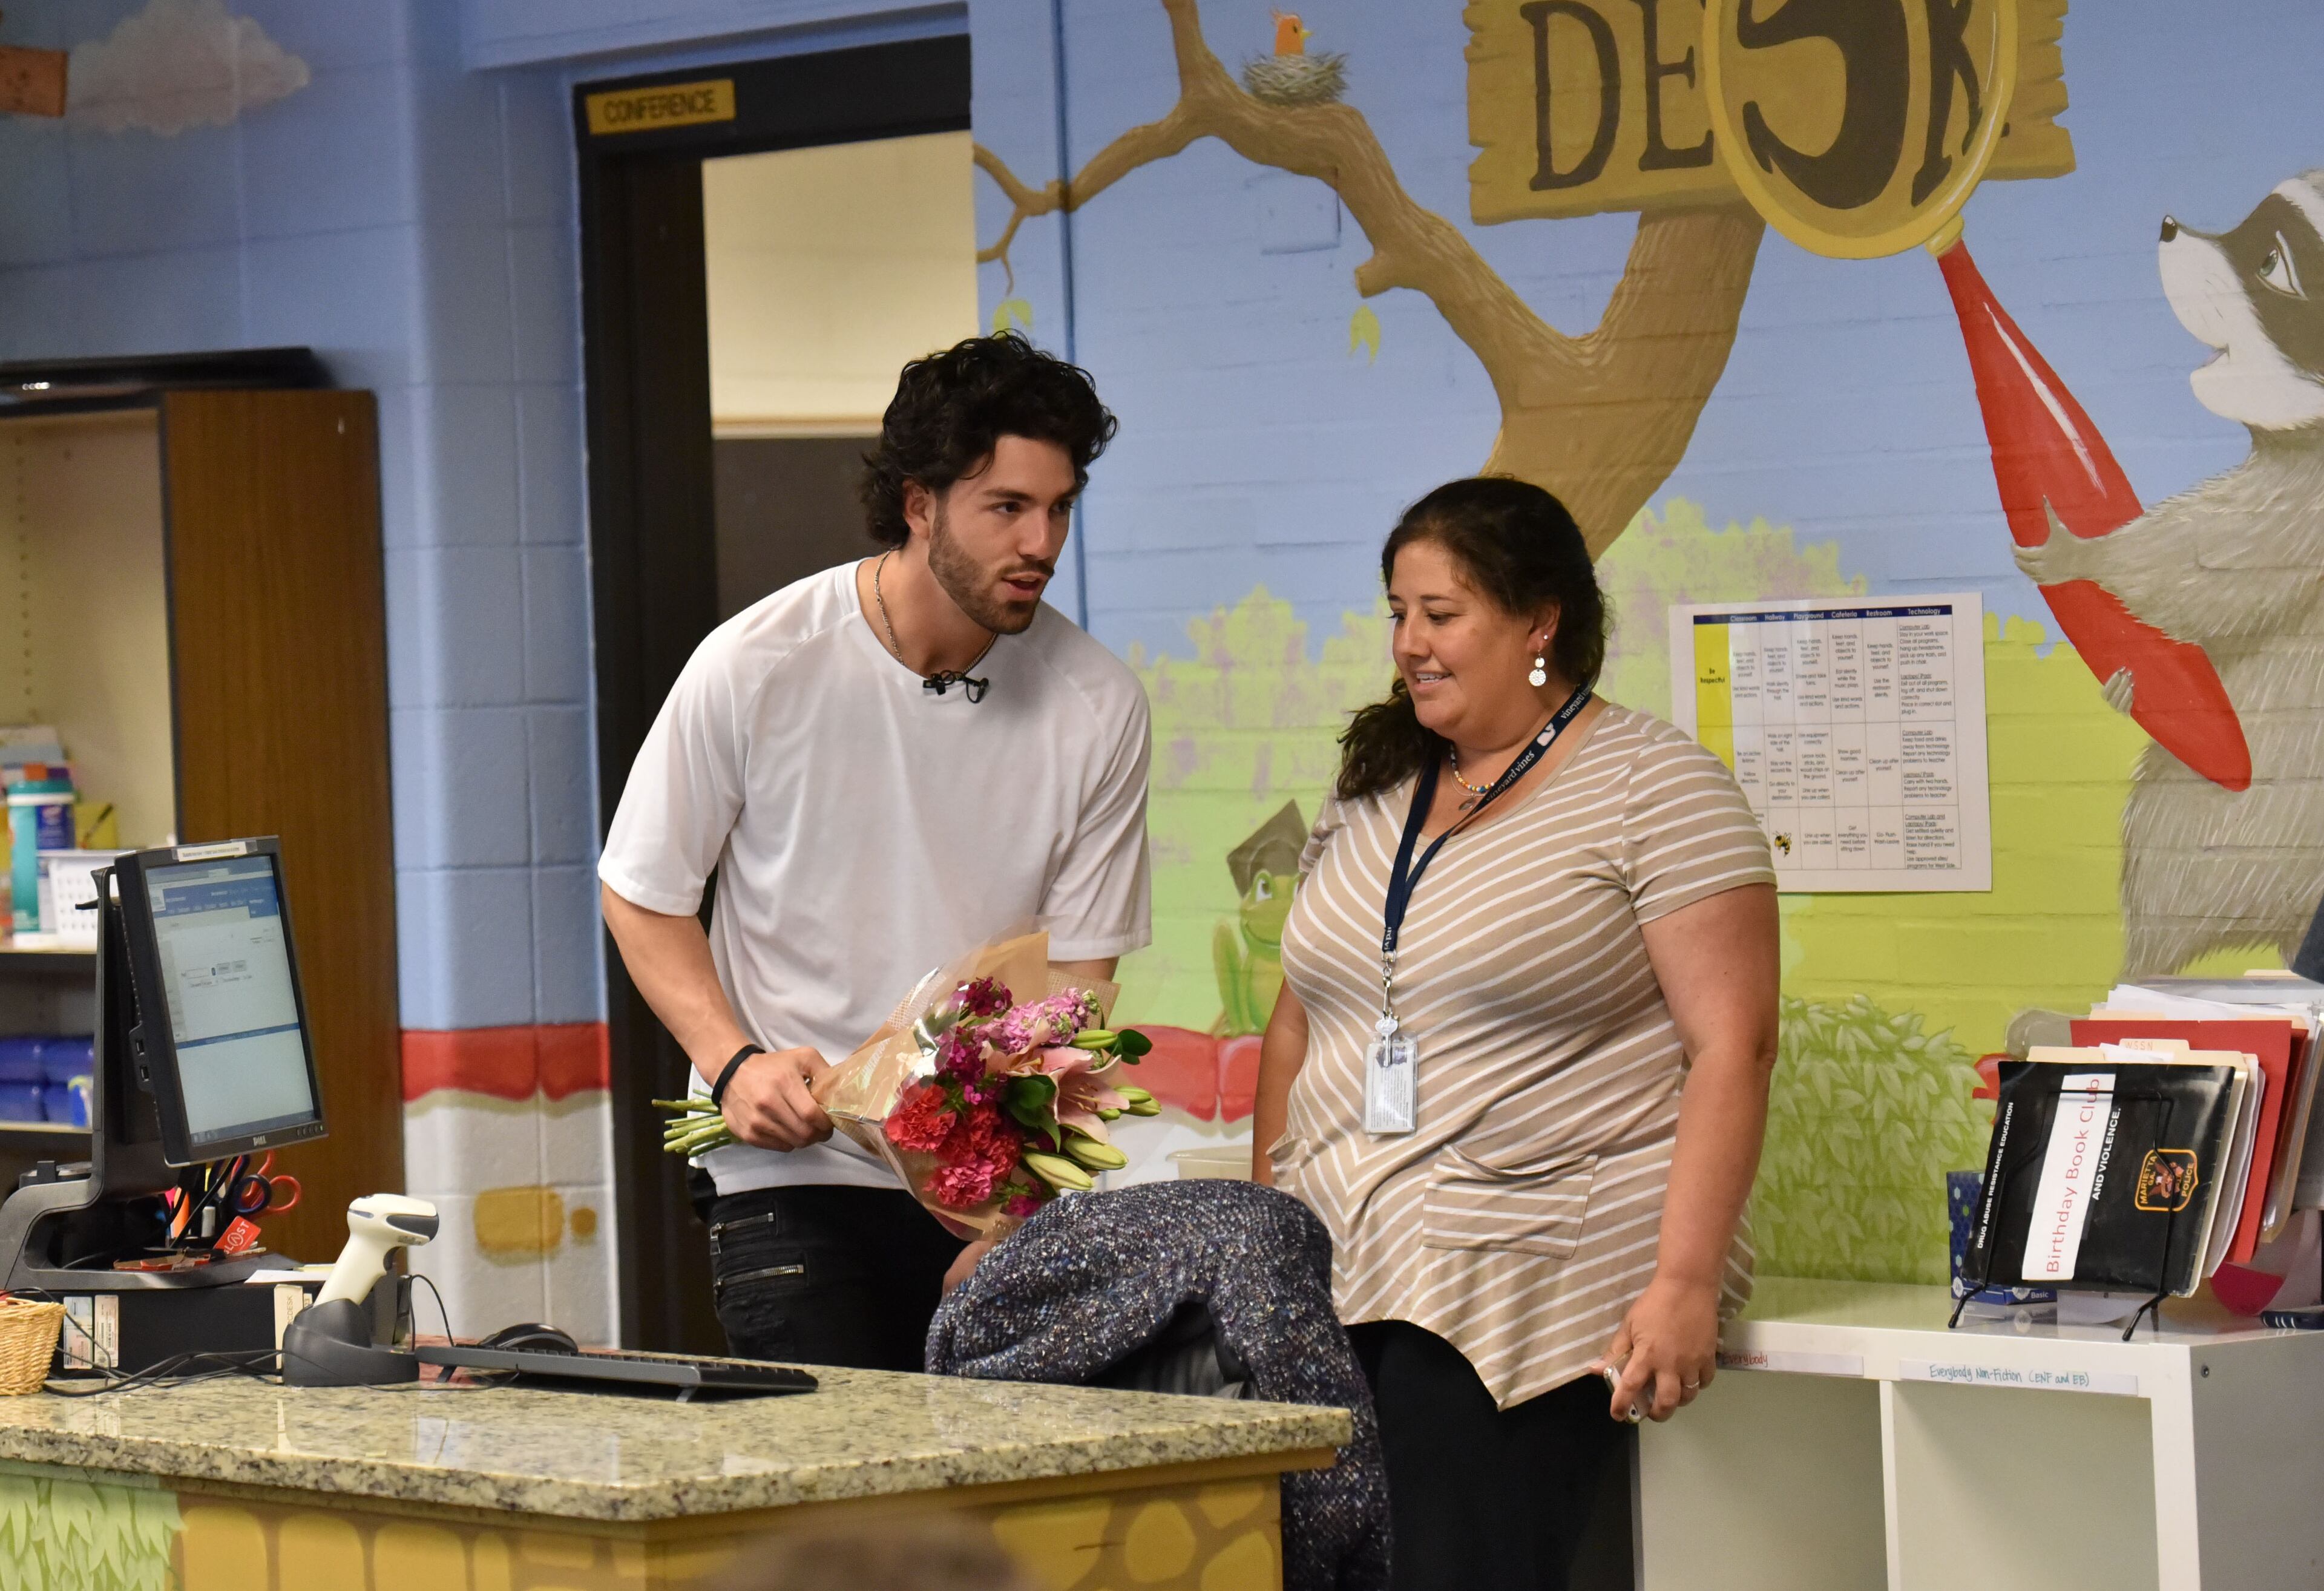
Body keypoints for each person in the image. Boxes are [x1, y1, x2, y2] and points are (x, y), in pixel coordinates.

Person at [1251, 476, 1779, 1590]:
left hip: (1524, 1271)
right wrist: (1268, 1236)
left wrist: (1684, 1282)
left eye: (1441, 615)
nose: (1409, 643)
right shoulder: (1374, 792)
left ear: (1540, 622)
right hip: (1346, 1260)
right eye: (1398, 613)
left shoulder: (1657, 787)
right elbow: (1297, 1018)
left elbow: (1734, 1045)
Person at [599, 333, 1152, 1371]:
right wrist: (731, 1063)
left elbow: (1081, 986)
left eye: (1060, 507)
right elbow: (641, 893)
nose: (1040, 540)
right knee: (849, 1503)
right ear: (919, 504)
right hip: (787, 1173)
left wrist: (1008, 1201)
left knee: (983, 1520)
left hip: (983, 1193)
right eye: (1006, 507)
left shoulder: (1100, 702)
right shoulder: (757, 661)